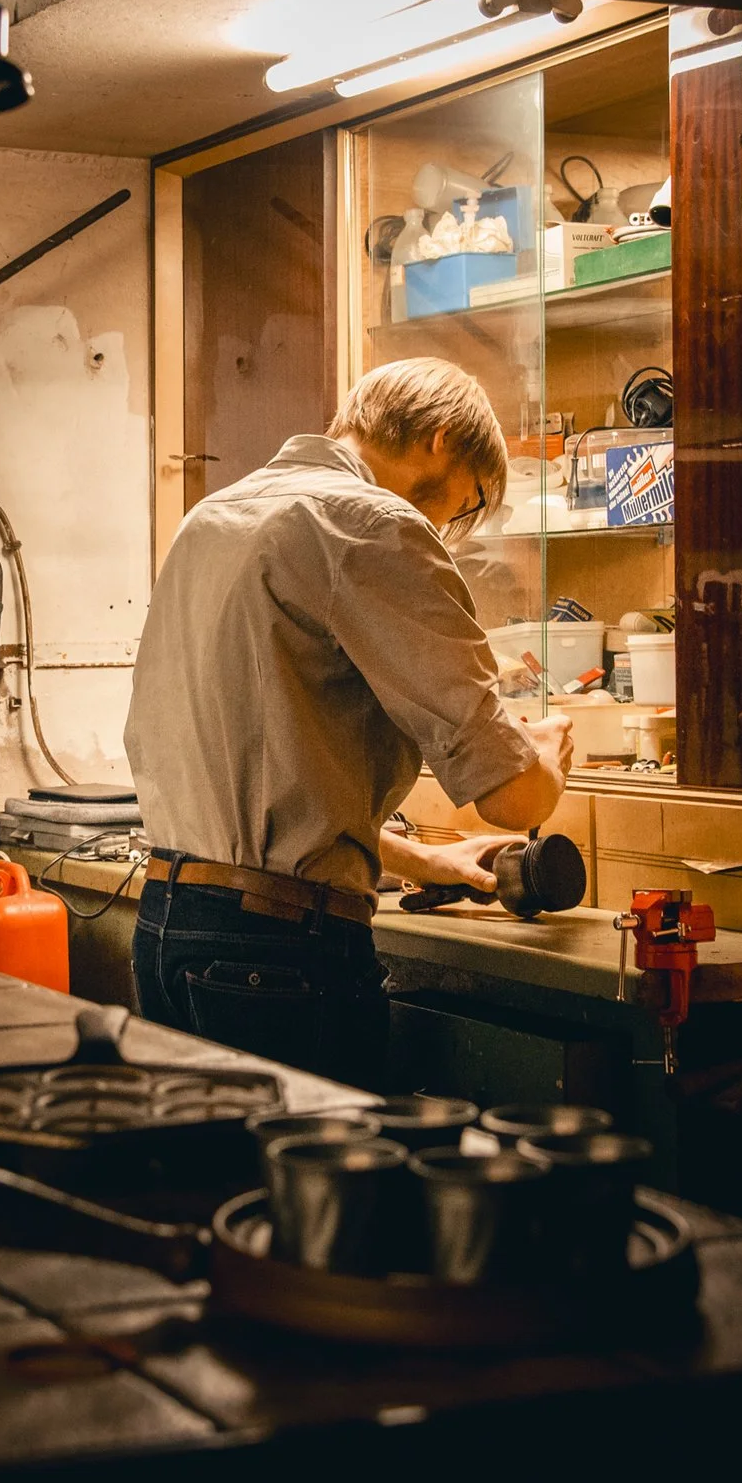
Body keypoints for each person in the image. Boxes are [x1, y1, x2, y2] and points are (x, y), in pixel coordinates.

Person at [123, 356, 573, 1083]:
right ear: (437, 437)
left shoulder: (213, 518)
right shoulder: (372, 524)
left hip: (169, 929)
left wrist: (425, 861)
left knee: (215, 1189)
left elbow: (276, 780)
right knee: (323, 1194)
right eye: (469, 501)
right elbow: (514, 796)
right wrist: (545, 755)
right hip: (276, 955)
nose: (449, 523)